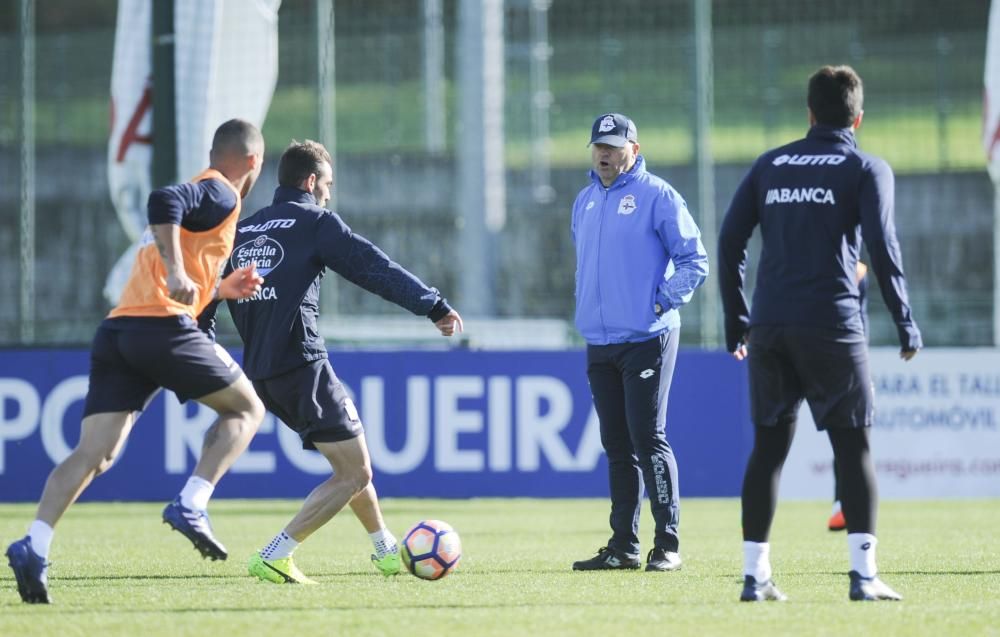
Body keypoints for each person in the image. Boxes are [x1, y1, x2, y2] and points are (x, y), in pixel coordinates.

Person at [5, 119, 268, 604]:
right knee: (248, 409)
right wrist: (175, 270)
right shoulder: (221, 193)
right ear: (254, 161)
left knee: (96, 454)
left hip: (120, 330)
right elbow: (162, 200)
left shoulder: (208, 200)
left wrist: (217, 289)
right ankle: (193, 502)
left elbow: (174, 263)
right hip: (160, 329)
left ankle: (34, 544)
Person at [211, 140, 463, 584]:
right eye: (326, 184)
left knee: (351, 458)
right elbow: (372, 266)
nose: (328, 193)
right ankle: (276, 553)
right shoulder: (315, 222)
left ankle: (385, 549)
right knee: (356, 471)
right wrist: (432, 304)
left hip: (262, 373)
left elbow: (208, 296)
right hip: (302, 365)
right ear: (310, 182)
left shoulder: (244, 231)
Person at [718, 65, 922, 602]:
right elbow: (882, 247)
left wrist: (736, 318)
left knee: (767, 450)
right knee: (853, 448)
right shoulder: (865, 167)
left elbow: (729, 241)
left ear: (809, 113)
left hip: (770, 326)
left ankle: (754, 576)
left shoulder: (771, 164)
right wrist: (904, 318)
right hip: (832, 325)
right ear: (858, 116)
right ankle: (863, 575)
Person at [570, 113, 709, 573]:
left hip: (649, 336)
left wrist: (662, 301)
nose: (604, 154)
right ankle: (623, 545)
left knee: (648, 438)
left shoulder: (658, 196)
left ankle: (667, 543)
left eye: (613, 146)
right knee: (616, 444)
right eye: (598, 146)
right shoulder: (585, 200)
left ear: (634, 147)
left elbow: (694, 260)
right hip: (600, 340)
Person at [828, 261, 870, 532]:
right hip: (841, 352)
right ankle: (842, 504)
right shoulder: (853, 268)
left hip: (846, 353)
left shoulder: (857, 270)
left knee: (849, 435)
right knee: (849, 435)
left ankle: (842, 503)